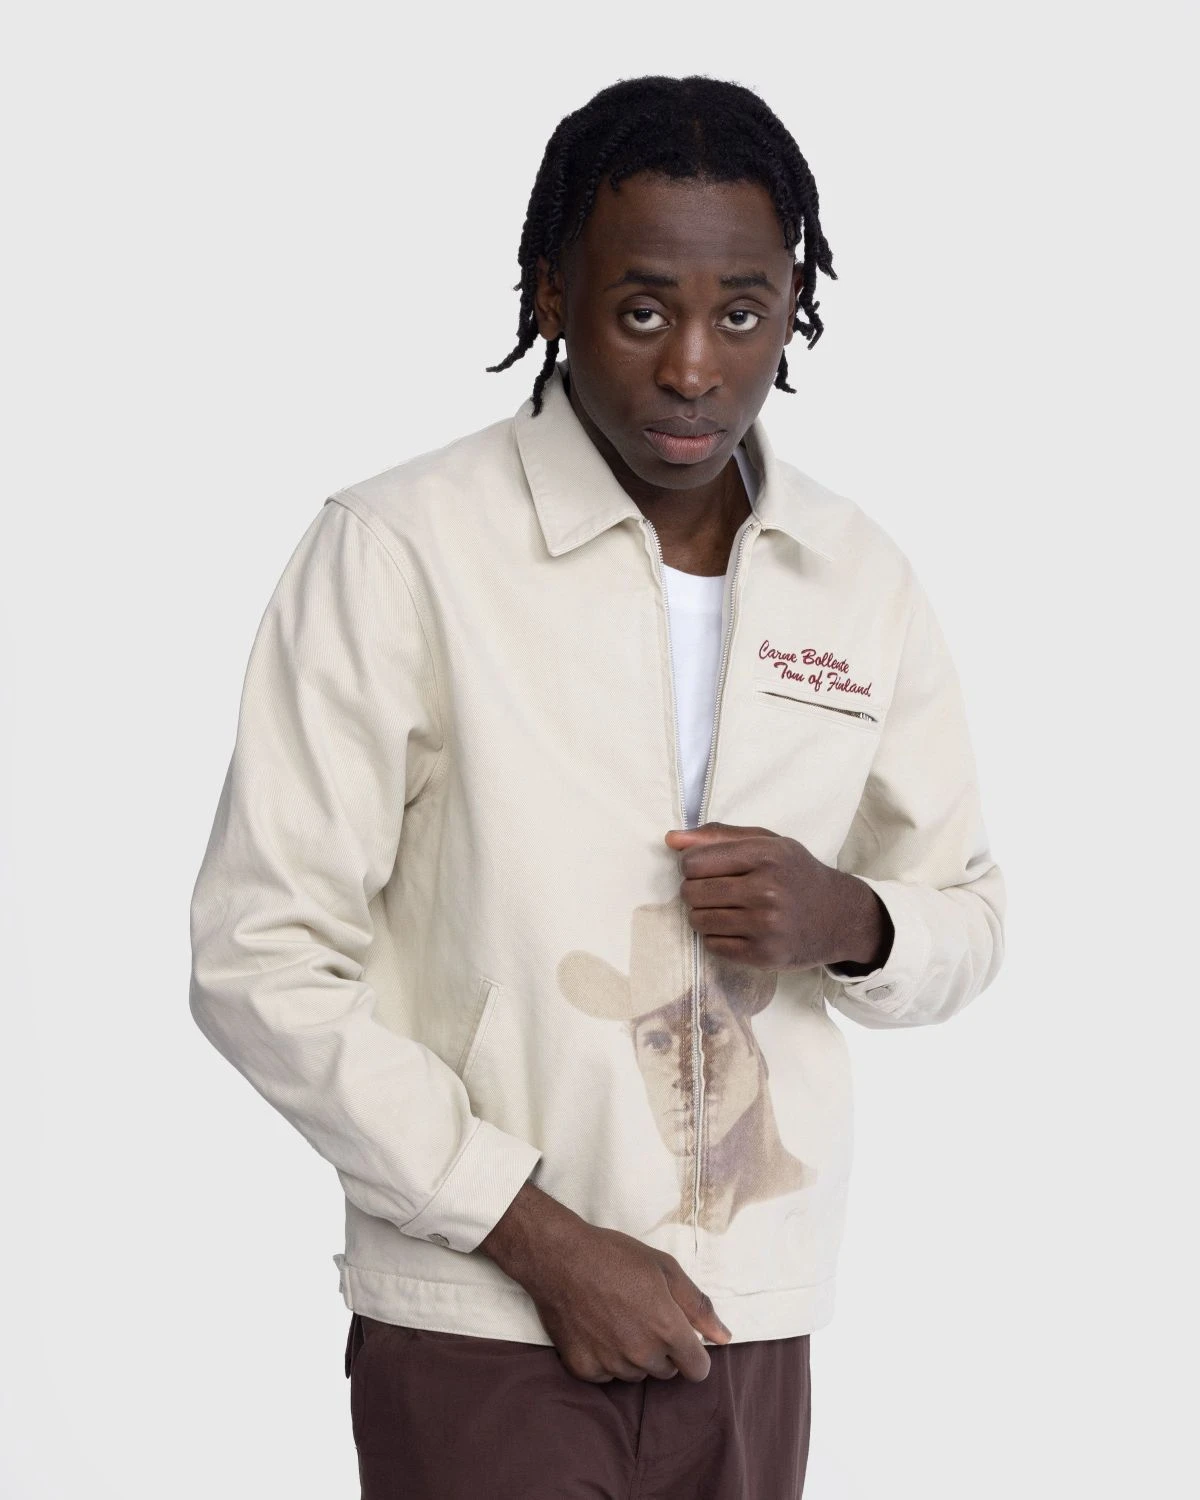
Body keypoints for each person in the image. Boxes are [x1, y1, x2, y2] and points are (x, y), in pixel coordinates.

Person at [188, 73, 1006, 1500]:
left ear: (793, 310)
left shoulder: (855, 575)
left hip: (750, 1318)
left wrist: (852, 919)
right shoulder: (403, 549)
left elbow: (969, 912)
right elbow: (258, 959)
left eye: (741, 313)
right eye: (641, 311)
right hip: (482, 1316)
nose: (693, 366)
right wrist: (539, 1240)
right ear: (552, 294)